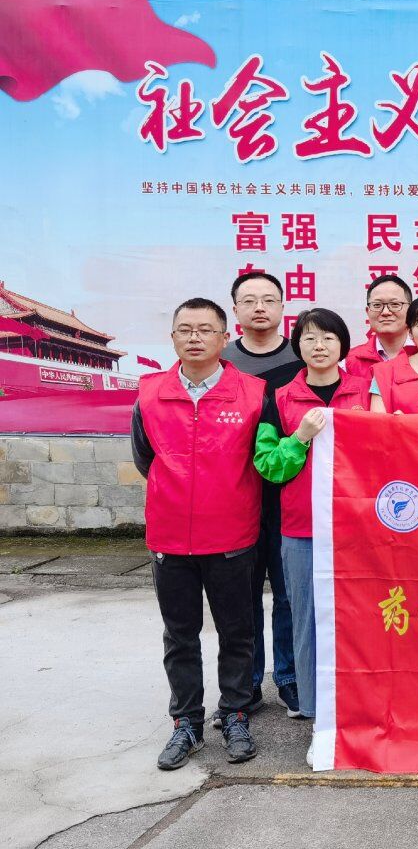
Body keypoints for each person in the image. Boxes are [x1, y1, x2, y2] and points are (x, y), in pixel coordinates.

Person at [131, 298, 269, 769]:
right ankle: (186, 723)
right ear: (172, 337)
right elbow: (145, 458)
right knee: (180, 635)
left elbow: (261, 458)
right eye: (185, 329)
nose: (195, 337)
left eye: (206, 329)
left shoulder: (253, 394)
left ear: (225, 338)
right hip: (170, 535)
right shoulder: (150, 393)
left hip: (231, 533)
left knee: (237, 632)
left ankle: (235, 714)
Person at [253, 309, 370, 730]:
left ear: (343, 345)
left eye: (328, 338)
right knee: (303, 615)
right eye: (309, 338)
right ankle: (312, 705)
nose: (319, 346)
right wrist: (299, 438)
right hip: (301, 527)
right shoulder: (281, 398)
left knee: (360, 615)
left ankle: (359, 700)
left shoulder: (365, 392)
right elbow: (268, 465)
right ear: (297, 346)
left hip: (357, 527)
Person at [224, 271, 298, 720]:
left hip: (289, 496)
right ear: (235, 309)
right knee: (243, 596)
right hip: (238, 495)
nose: (259, 307)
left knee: (288, 594)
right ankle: (247, 684)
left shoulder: (302, 355)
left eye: (268, 299)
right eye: (249, 300)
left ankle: (288, 678)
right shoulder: (223, 361)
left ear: (282, 306)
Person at [344, 274, 414, 378]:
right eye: (377, 305)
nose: (385, 312)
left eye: (395, 304)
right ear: (368, 312)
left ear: (411, 310)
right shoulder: (349, 362)